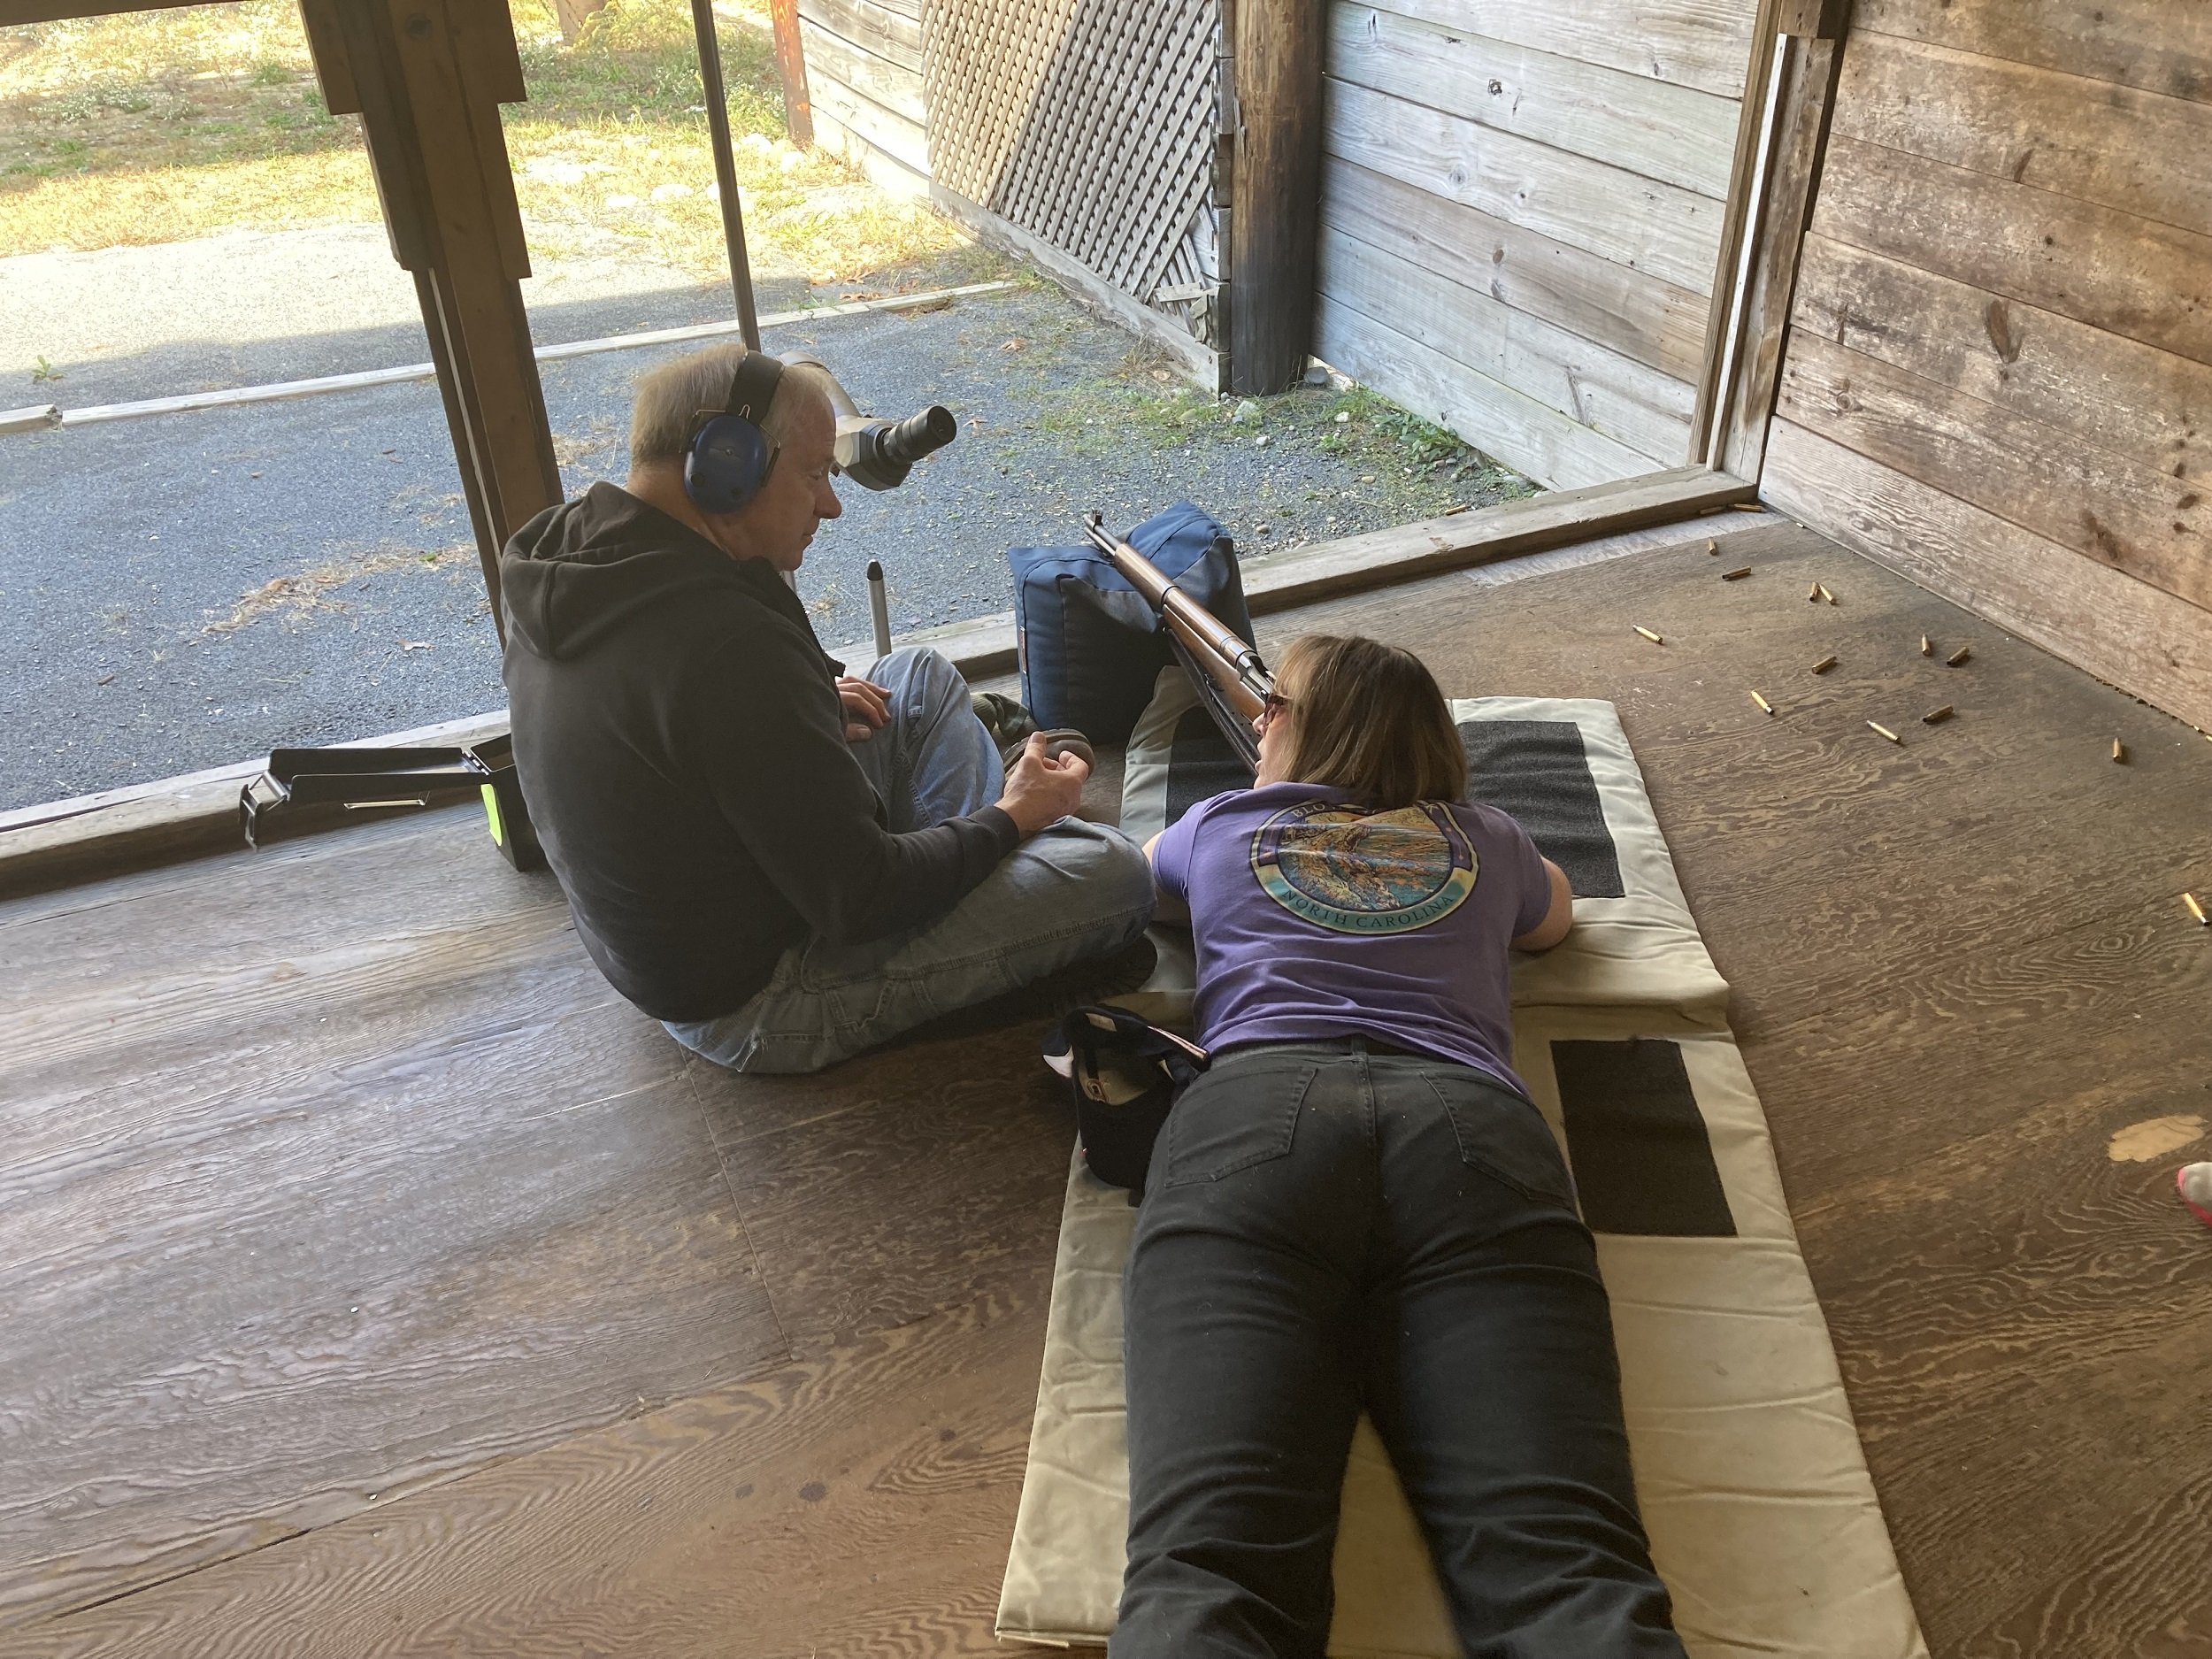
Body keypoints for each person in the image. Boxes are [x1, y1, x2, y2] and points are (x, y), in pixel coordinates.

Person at [1115, 634, 1686, 1658]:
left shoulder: (1217, 825)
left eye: (1273, 704)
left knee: (1210, 1571)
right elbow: (1555, 924)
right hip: (1471, 1130)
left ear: (1307, 729)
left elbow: (1128, 888)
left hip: (1254, 1120)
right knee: (1567, 1572)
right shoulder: (1488, 838)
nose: (1257, 719)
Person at [500, 342, 1155, 1073]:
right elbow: (860, 899)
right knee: (1117, 872)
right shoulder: (727, 649)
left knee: (917, 675)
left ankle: (959, 876)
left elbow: (692, 716)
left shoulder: (565, 550)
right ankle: (976, 887)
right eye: (813, 474)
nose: (831, 503)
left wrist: (804, 702)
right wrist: (1015, 816)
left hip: (698, 919)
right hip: (758, 997)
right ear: (725, 465)